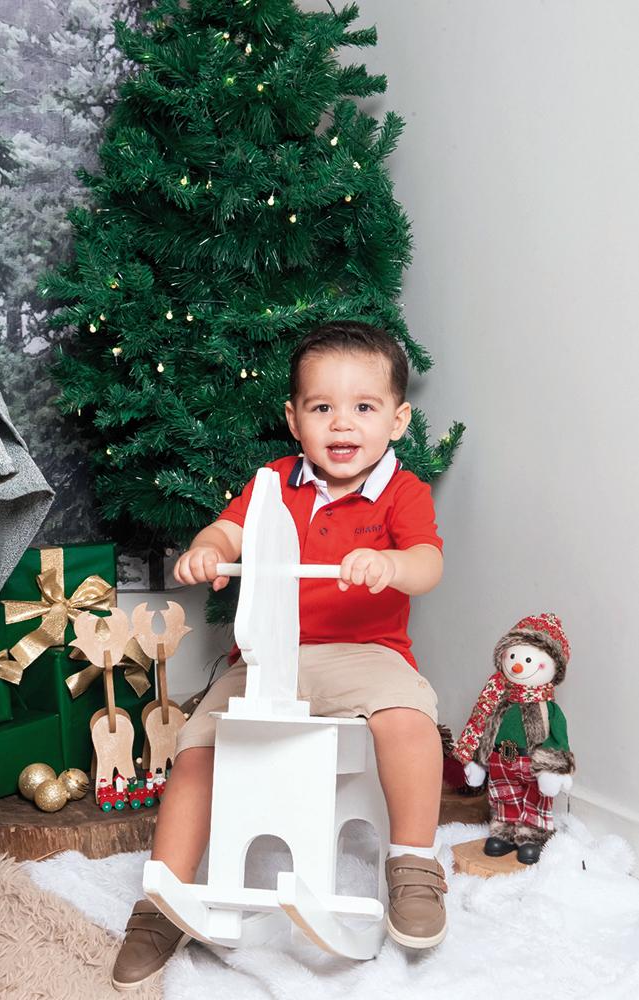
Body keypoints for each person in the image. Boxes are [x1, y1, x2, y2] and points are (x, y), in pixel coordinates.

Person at [112, 321, 446, 990]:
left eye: (364, 407)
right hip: (267, 660)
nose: (342, 424)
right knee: (200, 746)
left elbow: (427, 563)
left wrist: (388, 563)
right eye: (322, 407)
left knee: (407, 720)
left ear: (397, 419)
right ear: (294, 419)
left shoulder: (400, 491)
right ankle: (162, 901)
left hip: (363, 653)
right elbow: (231, 528)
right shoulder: (274, 483)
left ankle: (413, 864)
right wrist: (210, 548)